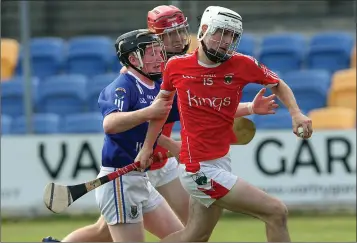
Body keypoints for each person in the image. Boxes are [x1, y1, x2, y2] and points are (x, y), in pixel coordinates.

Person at [42, 5, 279, 243]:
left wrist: (248, 108)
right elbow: (126, 123)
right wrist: (163, 144)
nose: (178, 40)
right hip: (141, 161)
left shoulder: (181, 65)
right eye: (169, 35)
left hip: (155, 161)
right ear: (153, 38)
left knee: (181, 232)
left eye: (180, 31)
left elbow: (201, 106)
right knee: (167, 229)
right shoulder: (139, 75)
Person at [135, 5, 313, 243]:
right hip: (197, 169)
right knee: (276, 211)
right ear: (204, 30)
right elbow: (160, 111)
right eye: (222, 32)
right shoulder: (176, 66)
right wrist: (148, 147)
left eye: (232, 36)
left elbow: (277, 84)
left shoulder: (243, 64)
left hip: (220, 162)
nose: (227, 41)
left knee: (196, 235)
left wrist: (296, 113)